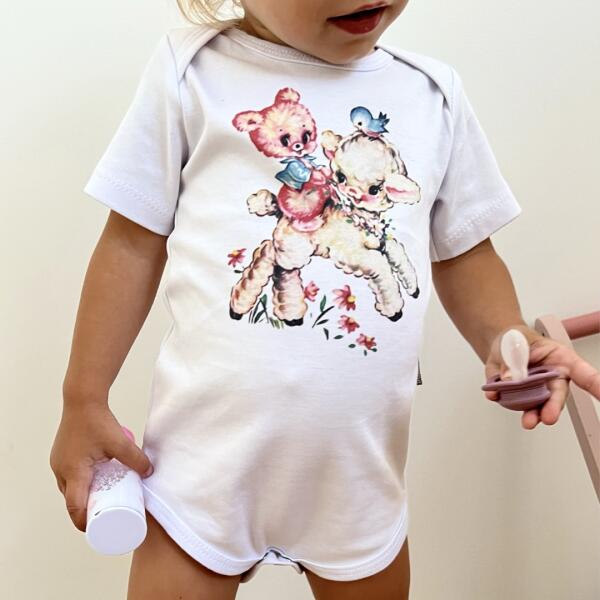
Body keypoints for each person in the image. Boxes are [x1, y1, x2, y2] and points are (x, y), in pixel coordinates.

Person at [49, 1, 600, 599]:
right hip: (198, 471)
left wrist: (505, 337)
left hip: (357, 476)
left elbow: (465, 252)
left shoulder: (431, 94)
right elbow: (132, 242)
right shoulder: (191, 72)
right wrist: (84, 399)